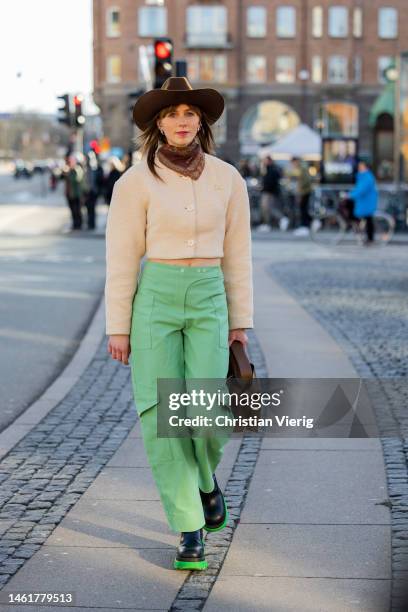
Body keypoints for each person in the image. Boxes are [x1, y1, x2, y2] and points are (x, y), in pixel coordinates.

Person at [105, 77, 253, 571]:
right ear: (157, 124)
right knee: (161, 416)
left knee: (205, 412)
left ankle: (207, 483)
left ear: (202, 122)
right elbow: (122, 257)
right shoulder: (134, 182)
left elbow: (238, 254)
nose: (181, 121)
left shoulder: (228, 179)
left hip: (210, 294)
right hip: (156, 301)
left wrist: (240, 320)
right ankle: (190, 527)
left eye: (190, 113)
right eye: (171, 114)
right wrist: (118, 326)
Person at [348, 159, 378, 244]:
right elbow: (358, 188)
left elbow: (362, 189)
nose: (359, 167)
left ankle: (370, 239)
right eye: (359, 166)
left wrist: (350, 195)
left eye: (361, 166)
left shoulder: (367, 177)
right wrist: (351, 194)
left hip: (367, 201)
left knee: (368, 219)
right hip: (363, 200)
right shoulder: (362, 176)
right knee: (366, 218)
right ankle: (366, 236)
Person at [258, 155, 289, 232]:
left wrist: (264, 187)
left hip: (269, 192)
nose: (264, 162)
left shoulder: (272, 170)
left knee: (268, 208)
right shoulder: (268, 169)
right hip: (268, 191)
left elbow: (272, 182)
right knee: (266, 208)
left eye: (265, 160)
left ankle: (281, 219)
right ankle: (267, 224)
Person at [291, 157, 312, 236]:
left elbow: (305, 181)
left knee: (303, 209)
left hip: (304, 192)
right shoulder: (302, 168)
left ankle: (305, 226)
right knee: (303, 209)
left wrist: (300, 191)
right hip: (304, 192)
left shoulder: (302, 169)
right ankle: (305, 226)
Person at [63, 155, 85, 231]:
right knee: (72, 210)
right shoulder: (69, 170)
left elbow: (76, 179)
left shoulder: (77, 169)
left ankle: (79, 224)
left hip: (76, 194)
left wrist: (68, 173)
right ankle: (75, 224)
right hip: (70, 194)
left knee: (77, 210)